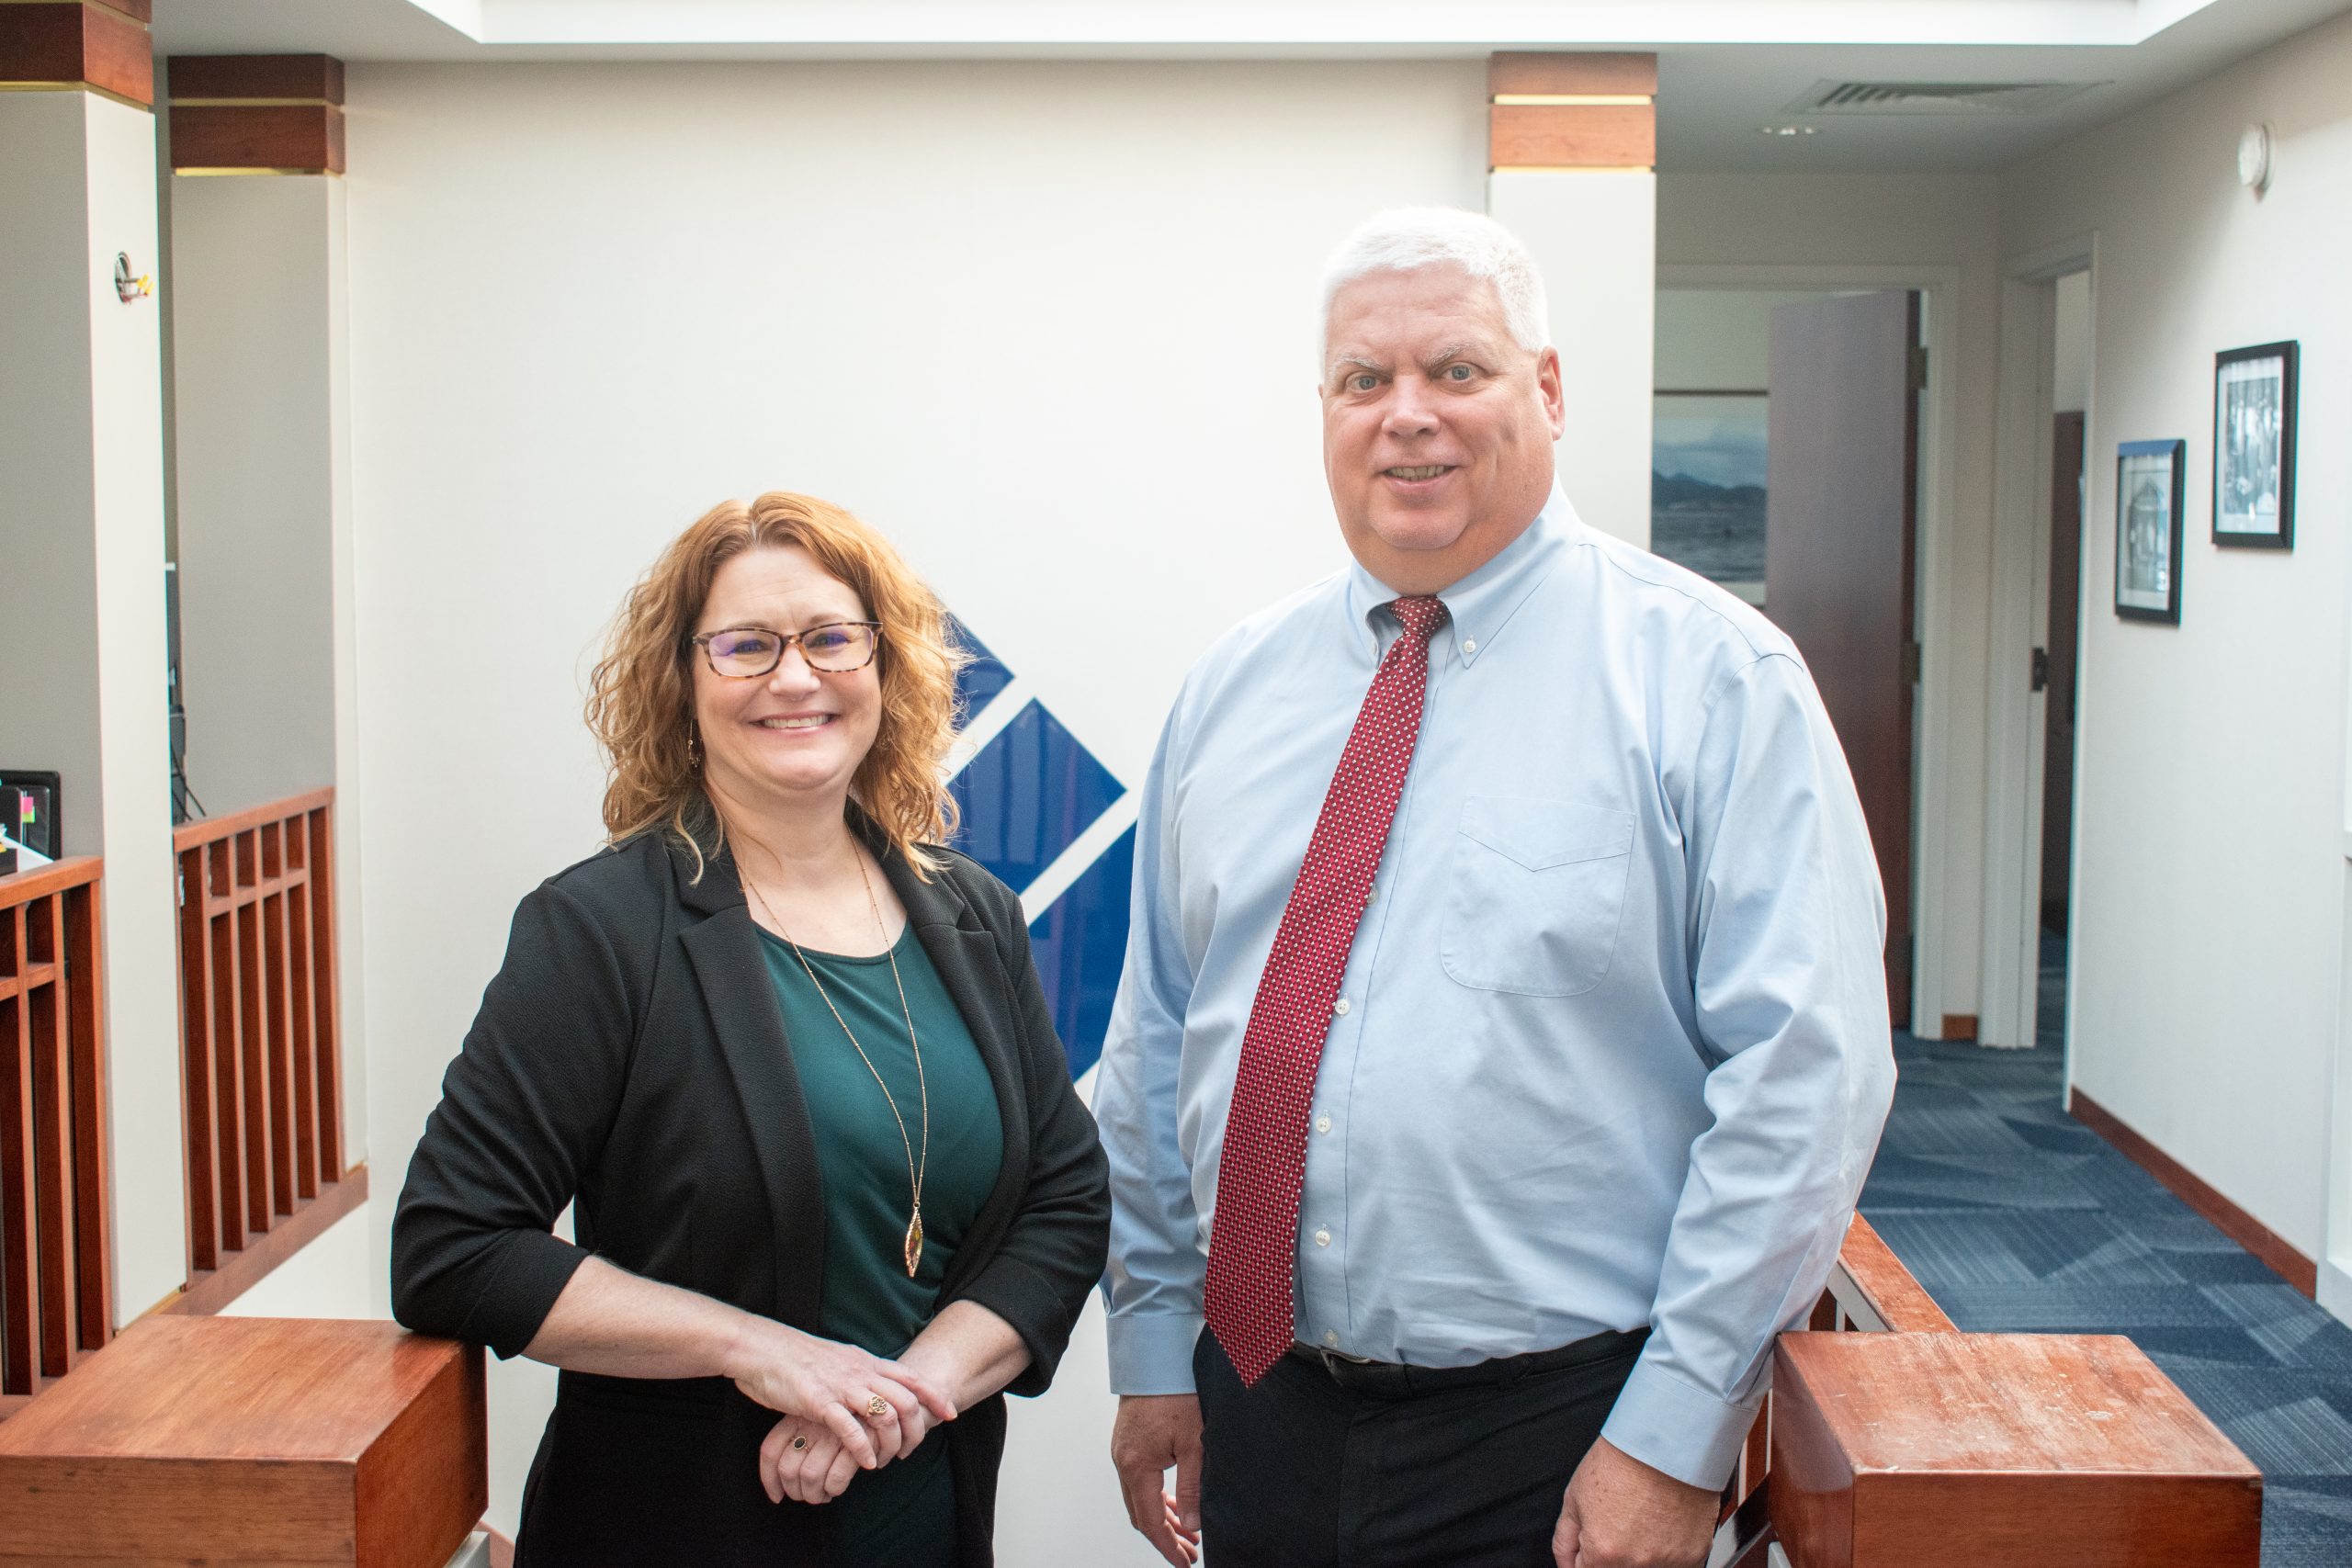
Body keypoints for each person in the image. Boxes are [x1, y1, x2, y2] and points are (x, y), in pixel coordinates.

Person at [1096, 209, 1896, 1568]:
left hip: (1563, 1427)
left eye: (1456, 368)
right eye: (1364, 380)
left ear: (1550, 388)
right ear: (1327, 410)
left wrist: (1675, 1429)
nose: (1407, 416)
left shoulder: (1713, 682)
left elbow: (1806, 1079)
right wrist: (1154, 1337)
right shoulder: (1232, 688)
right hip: (1261, 1399)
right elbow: (1159, 1043)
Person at [391, 491, 1110, 1567]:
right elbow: (455, 1246)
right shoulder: (601, 931)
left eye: (831, 638)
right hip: (676, 1525)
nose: (794, 677)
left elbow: (1064, 1203)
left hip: (920, 1517)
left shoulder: (971, 914)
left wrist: (897, 1399)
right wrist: (760, 1352)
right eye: (745, 647)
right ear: (682, 683)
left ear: (884, 668)